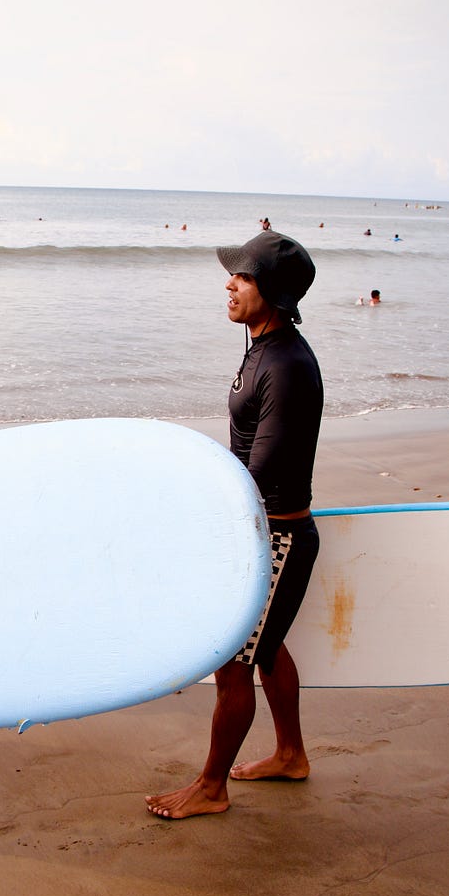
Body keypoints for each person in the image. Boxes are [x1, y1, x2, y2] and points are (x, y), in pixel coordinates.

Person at [146, 230, 323, 820]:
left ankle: (212, 787)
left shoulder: (288, 365)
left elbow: (261, 469)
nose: (229, 283)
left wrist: (205, 525)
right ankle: (291, 754)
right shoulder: (262, 347)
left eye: (242, 277)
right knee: (266, 651)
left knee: (235, 661)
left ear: (268, 291)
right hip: (261, 532)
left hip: (276, 540)